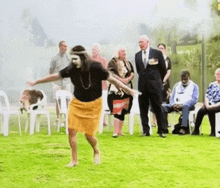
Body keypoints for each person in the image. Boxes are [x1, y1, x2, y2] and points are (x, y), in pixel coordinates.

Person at [27, 45, 137, 167]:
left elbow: (112, 80)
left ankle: (96, 151)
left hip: (93, 105)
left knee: (89, 135)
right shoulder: (72, 68)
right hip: (77, 103)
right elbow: (56, 76)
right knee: (71, 131)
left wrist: (129, 90)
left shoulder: (96, 67)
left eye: (75, 58)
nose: (73, 61)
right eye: (72, 59)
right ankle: (74, 160)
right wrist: (36, 82)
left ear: (82, 58)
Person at [135, 35, 167, 138]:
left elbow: (163, 69)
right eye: (139, 42)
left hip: (155, 86)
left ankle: (161, 130)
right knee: (143, 108)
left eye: (142, 42)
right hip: (142, 86)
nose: (141, 44)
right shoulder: (137, 55)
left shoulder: (156, 53)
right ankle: (145, 131)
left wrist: (157, 81)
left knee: (158, 107)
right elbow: (139, 70)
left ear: (148, 42)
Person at [107, 46, 134, 138]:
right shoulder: (112, 62)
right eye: (122, 51)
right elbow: (111, 73)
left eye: (125, 51)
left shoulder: (128, 63)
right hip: (116, 89)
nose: (124, 53)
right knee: (117, 110)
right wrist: (120, 80)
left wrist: (128, 79)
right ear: (117, 52)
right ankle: (115, 131)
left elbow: (132, 72)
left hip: (126, 88)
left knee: (123, 110)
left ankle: (120, 131)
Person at [163, 70, 199, 135]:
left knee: (185, 107)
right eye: (182, 79)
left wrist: (182, 105)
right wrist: (173, 104)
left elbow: (194, 99)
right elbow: (172, 97)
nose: (183, 81)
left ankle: (184, 128)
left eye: (185, 79)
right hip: (175, 104)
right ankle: (164, 127)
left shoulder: (194, 86)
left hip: (187, 105)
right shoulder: (176, 85)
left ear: (189, 77)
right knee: (163, 107)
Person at [192, 68, 220, 136]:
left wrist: (212, 106)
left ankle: (213, 131)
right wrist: (207, 104)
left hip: (218, 104)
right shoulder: (212, 84)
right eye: (217, 74)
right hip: (210, 103)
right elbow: (207, 95)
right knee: (201, 110)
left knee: (211, 110)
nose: (218, 76)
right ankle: (196, 130)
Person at [49, 41, 71, 125]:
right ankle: (57, 118)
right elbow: (51, 71)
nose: (65, 48)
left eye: (66, 46)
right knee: (58, 100)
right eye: (64, 46)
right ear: (60, 47)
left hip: (66, 82)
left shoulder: (68, 58)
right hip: (57, 83)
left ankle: (67, 119)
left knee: (67, 100)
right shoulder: (54, 58)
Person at [151, 43, 172, 127]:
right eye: (159, 48)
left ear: (165, 50)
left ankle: (165, 121)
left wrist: (163, 80)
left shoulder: (167, 59)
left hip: (165, 83)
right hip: (156, 82)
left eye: (162, 48)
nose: (160, 49)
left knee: (165, 101)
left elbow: (169, 71)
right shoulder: (154, 59)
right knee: (155, 101)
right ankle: (153, 121)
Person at [90, 43, 108, 126]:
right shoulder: (89, 60)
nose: (93, 51)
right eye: (92, 49)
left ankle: (103, 120)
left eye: (94, 49)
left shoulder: (103, 60)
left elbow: (105, 72)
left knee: (103, 103)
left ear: (98, 51)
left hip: (102, 85)